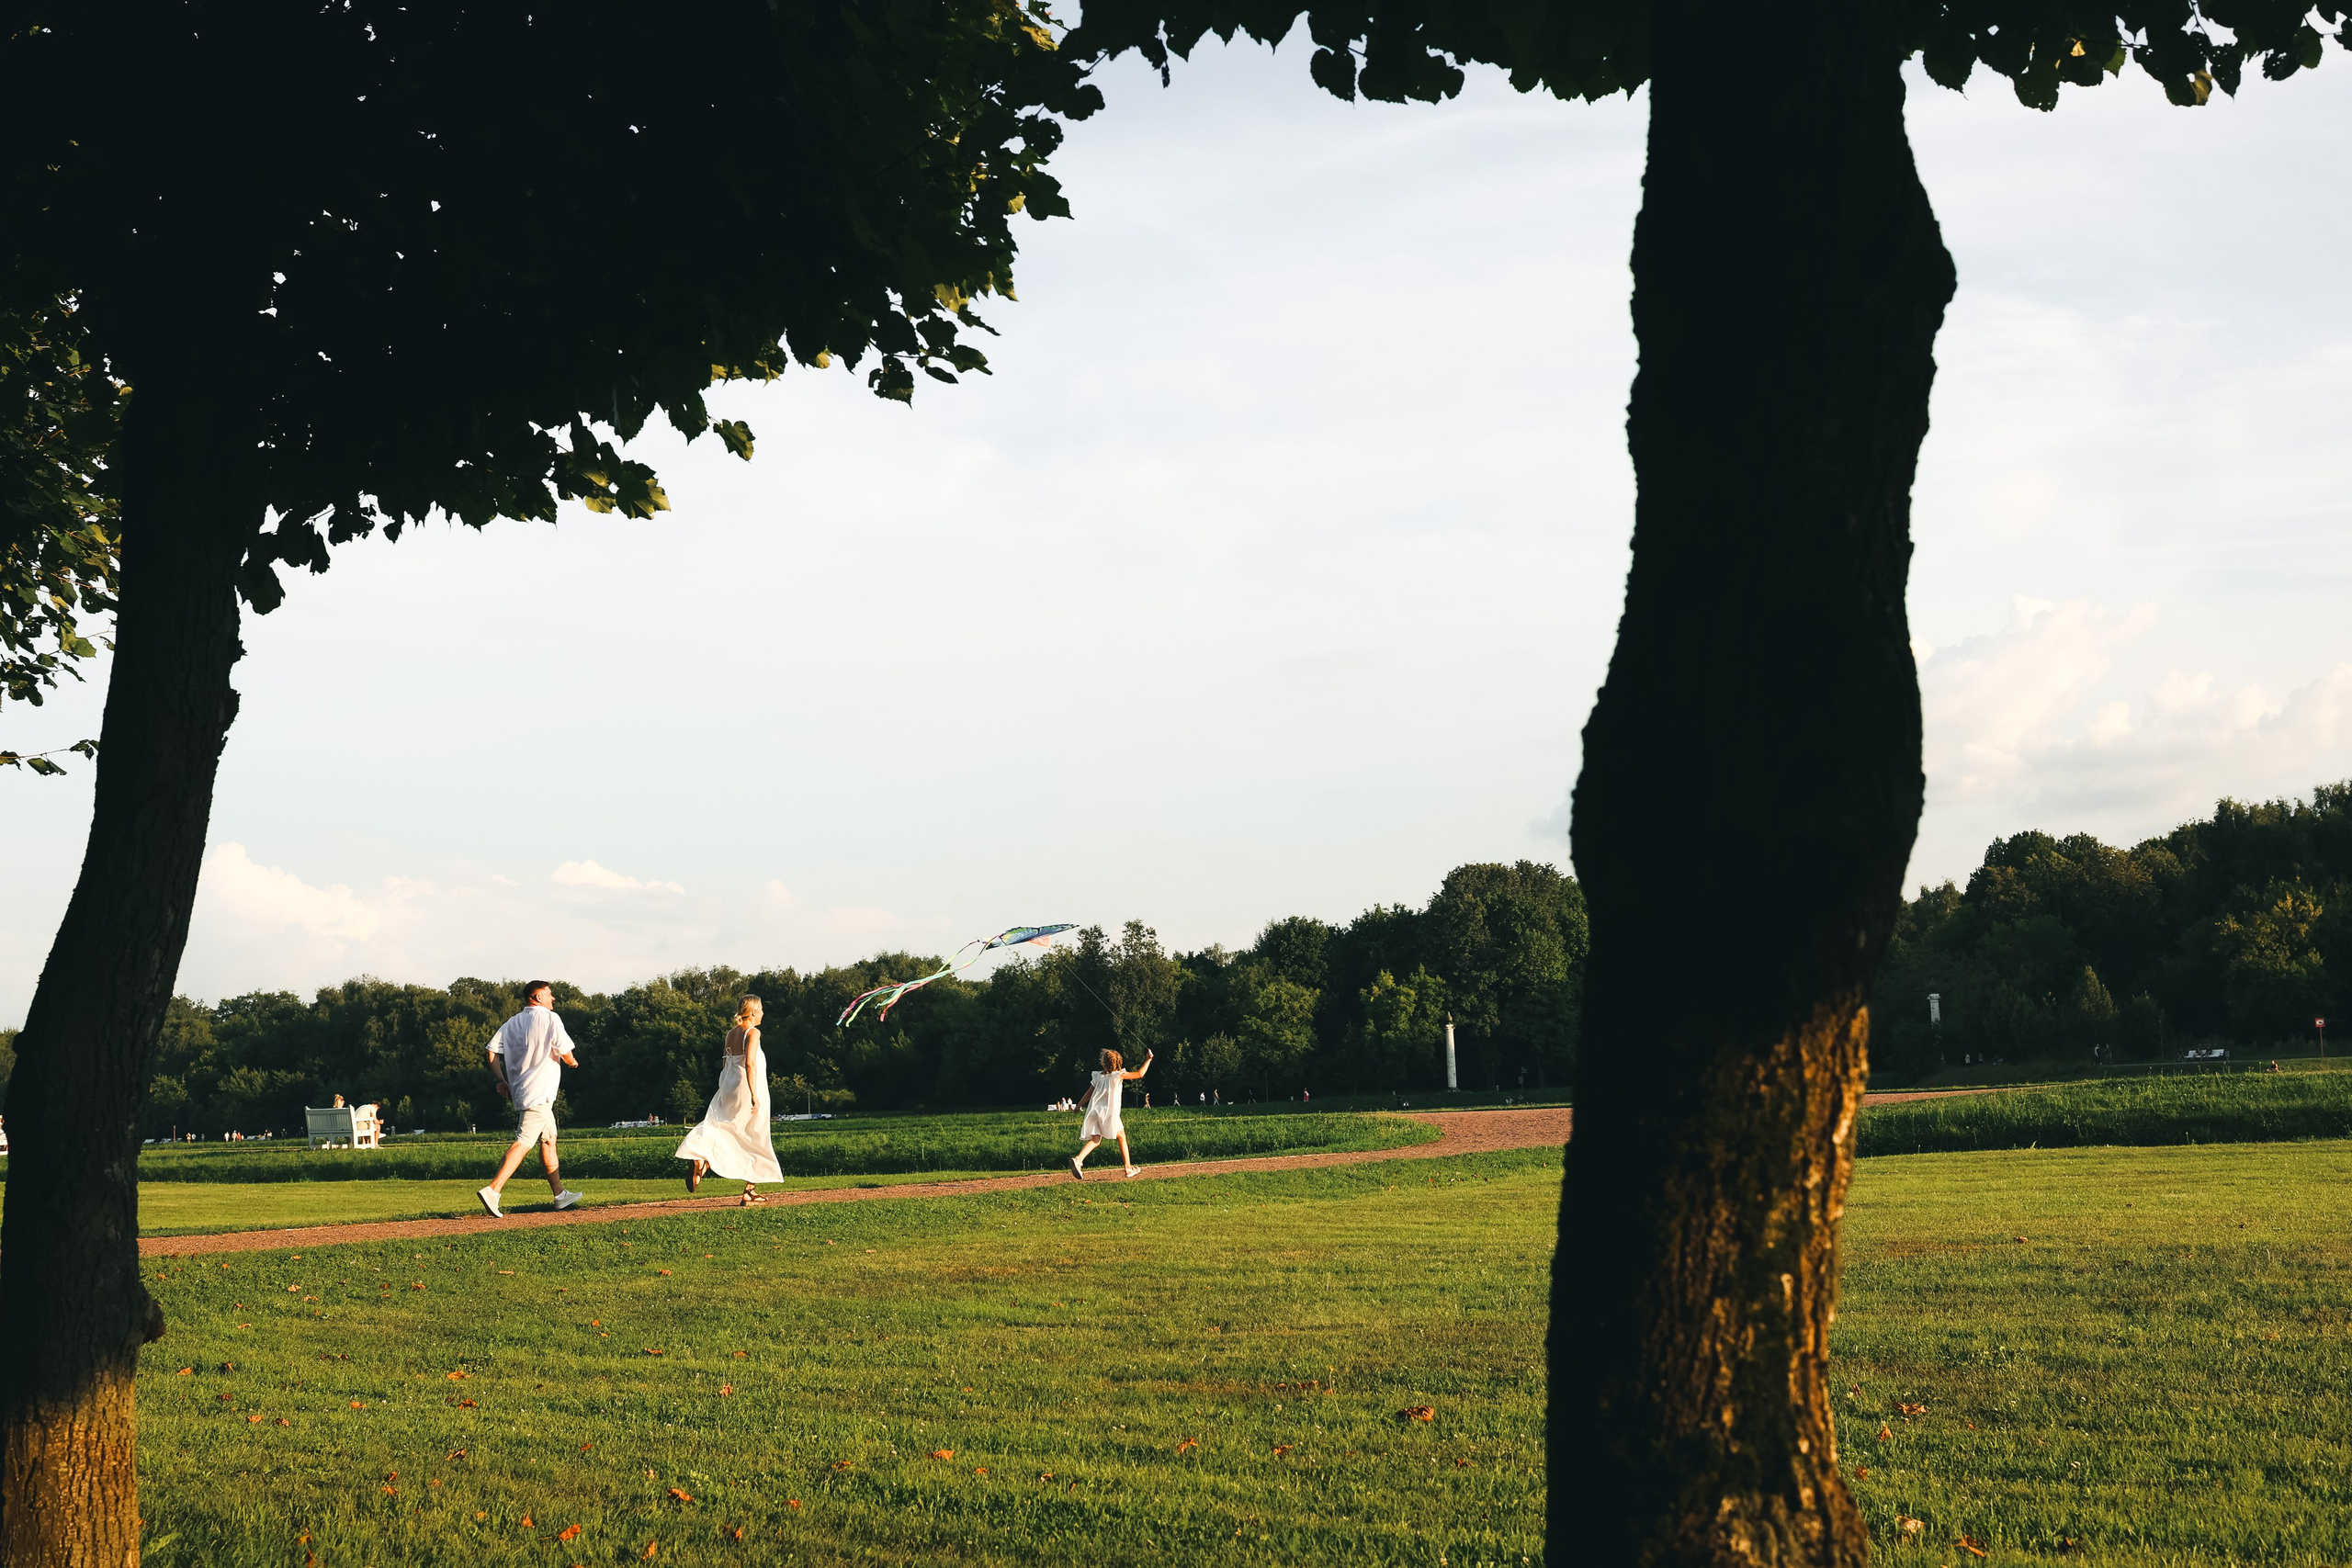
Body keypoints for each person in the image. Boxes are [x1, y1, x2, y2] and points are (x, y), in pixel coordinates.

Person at [476, 982, 584, 1218]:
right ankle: (493, 1190)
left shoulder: (512, 1022)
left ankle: (560, 1195)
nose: (553, 998)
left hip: (522, 1090)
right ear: (537, 997)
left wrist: (500, 1080)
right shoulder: (550, 1018)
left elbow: (491, 1051)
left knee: (548, 1140)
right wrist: (571, 1061)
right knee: (524, 1140)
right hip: (540, 1093)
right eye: (549, 994)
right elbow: (565, 1051)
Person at [675, 996, 785, 1204]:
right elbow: (750, 1063)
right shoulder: (753, 1032)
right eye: (761, 1009)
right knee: (755, 1135)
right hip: (749, 1086)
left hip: (728, 1085)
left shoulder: (730, 1034)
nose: (763, 1013)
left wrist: (725, 1091)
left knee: (723, 1126)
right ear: (752, 1012)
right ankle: (748, 1190)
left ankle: (704, 1160)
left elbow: (726, 1064)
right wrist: (754, 1094)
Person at [1071, 1047, 1152, 1180]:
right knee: (1121, 1137)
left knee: (1095, 1140)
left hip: (1095, 1111)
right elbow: (1140, 1074)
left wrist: (1078, 1106)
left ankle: (1078, 1160)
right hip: (1109, 1113)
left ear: (1103, 1063)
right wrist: (1148, 1060)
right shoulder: (1119, 1075)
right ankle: (1128, 1168)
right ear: (1117, 1063)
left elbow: (1088, 1093)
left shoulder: (1098, 1076)